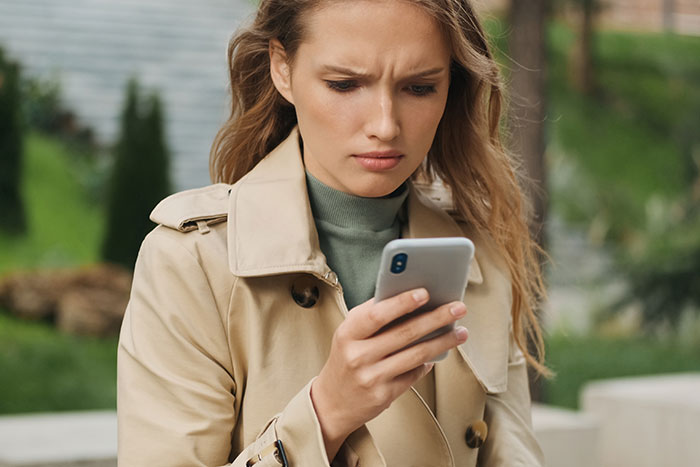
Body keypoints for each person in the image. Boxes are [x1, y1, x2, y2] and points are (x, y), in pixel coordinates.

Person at [117, 0, 548, 465]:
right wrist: (326, 413)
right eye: (345, 84)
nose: (385, 125)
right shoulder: (193, 262)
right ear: (283, 68)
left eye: (420, 87)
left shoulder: (477, 249)